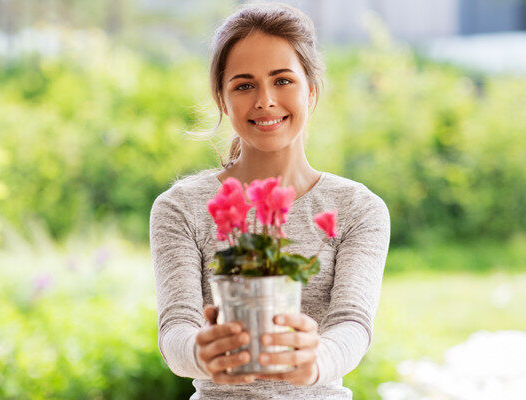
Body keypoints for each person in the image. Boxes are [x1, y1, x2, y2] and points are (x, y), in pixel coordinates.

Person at [149, 3, 390, 399]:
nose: (265, 100)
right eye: (244, 85)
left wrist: (315, 361)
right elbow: (176, 327)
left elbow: (353, 324)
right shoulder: (181, 208)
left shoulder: (358, 209)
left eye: (282, 81)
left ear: (310, 91)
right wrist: (200, 352)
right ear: (222, 100)